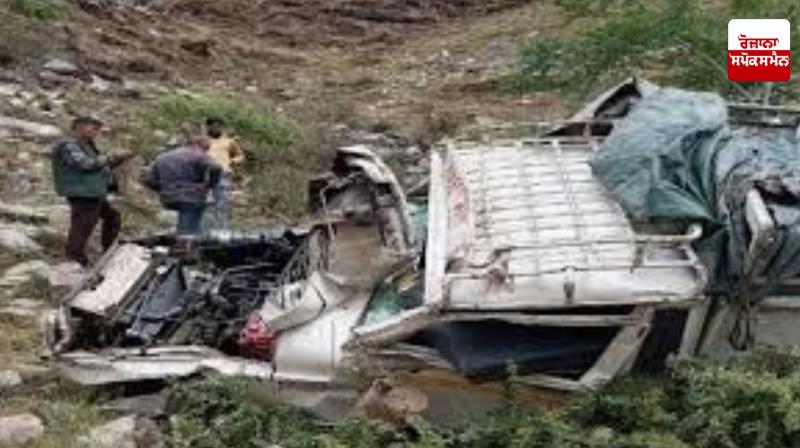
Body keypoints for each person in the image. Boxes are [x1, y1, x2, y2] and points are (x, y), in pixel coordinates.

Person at [52, 115, 132, 266]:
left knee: (112, 217)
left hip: (92, 193)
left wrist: (116, 160)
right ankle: (75, 259)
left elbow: (98, 167)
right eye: (93, 127)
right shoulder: (68, 145)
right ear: (78, 127)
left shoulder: (87, 145)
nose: (96, 130)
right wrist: (110, 157)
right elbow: (84, 164)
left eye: (98, 128)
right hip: (82, 193)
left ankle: (108, 252)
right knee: (82, 227)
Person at [141, 137, 222, 235]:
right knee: (188, 230)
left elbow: (146, 179)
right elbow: (216, 167)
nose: (206, 151)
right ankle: (185, 242)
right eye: (206, 148)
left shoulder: (162, 157)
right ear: (198, 145)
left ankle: (186, 238)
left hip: (168, 198)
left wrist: (162, 188)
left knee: (190, 223)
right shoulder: (199, 155)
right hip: (192, 197)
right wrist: (210, 185)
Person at [205, 117, 244, 229]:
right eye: (214, 126)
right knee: (204, 203)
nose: (217, 128)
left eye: (219, 126)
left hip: (223, 174)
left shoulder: (229, 141)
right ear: (208, 127)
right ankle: (205, 230)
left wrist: (233, 161)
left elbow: (240, 156)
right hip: (205, 173)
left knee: (222, 202)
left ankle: (221, 228)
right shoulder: (203, 141)